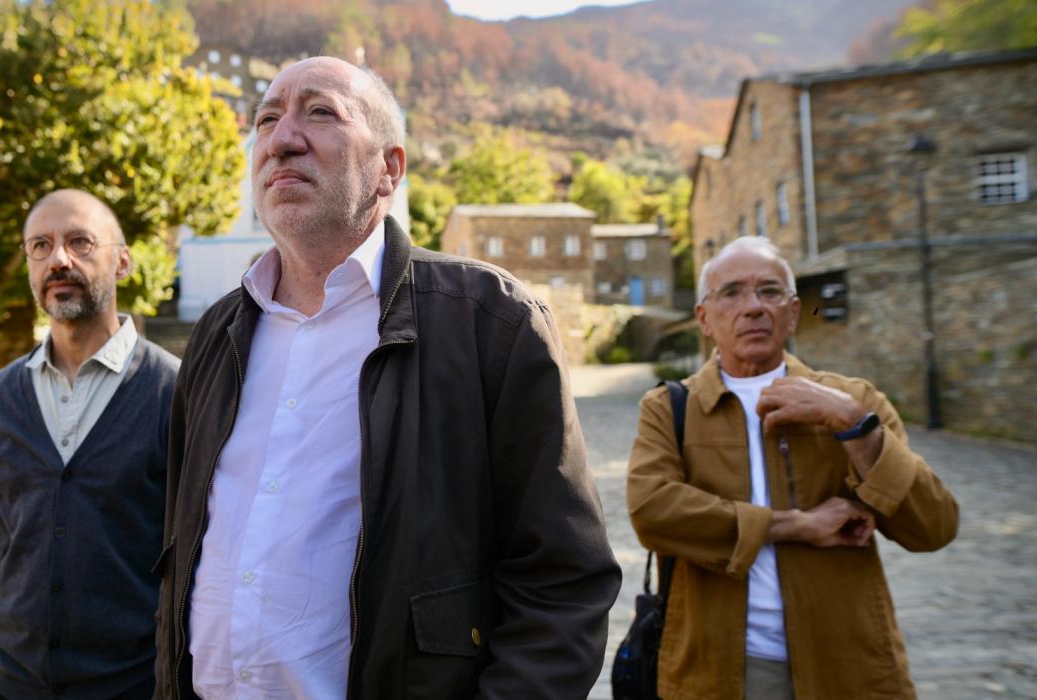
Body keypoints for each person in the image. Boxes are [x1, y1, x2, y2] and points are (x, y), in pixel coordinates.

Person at [153, 57, 621, 699]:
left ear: (389, 170)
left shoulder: (491, 322)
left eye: (321, 112)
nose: (281, 139)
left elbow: (562, 582)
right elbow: (179, 555)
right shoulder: (217, 334)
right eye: (266, 119)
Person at [626, 236, 959, 699]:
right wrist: (796, 525)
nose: (754, 307)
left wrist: (855, 426)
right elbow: (652, 512)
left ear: (793, 312)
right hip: (719, 670)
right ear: (704, 318)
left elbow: (934, 526)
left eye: (770, 291)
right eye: (731, 293)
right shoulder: (669, 408)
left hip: (847, 666)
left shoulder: (855, 400)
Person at [0, 189, 179, 699]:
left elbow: (203, 556)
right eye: (40, 246)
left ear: (122, 261)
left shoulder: (177, 393)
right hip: (2, 683)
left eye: (80, 242)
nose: (59, 260)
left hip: (132, 686)